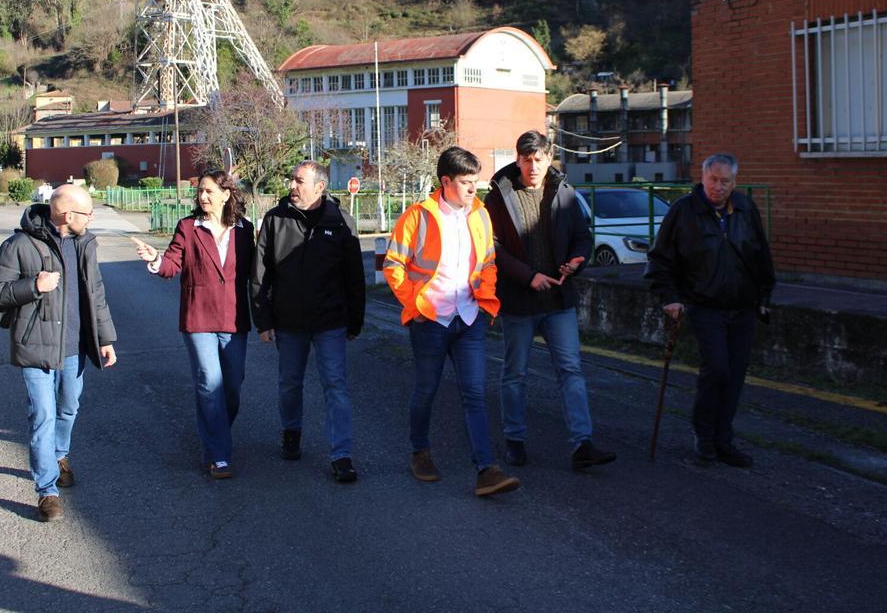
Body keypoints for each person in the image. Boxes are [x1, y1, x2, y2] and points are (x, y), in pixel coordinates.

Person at [383, 146, 520, 497]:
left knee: (474, 393)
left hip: (470, 318)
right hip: (430, 320)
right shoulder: (418, 216)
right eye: (466, 182)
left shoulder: (480, 214)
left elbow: (488, 262)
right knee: (426, 391)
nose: (474, 189)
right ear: (446, 182)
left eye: (476, 182)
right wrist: (416, 303)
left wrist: (485, 297)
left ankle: (486, 469)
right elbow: (393, 264)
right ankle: (420, 452)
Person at [0, 183, 117, 522]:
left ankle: (60, 455)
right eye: (88, 213)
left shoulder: (85, 243)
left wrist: (105, 337)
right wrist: (33, 286)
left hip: (75, 348)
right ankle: (47, 491)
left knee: (69, 408)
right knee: (42, 416)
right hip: (36, 348)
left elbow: (95, 292)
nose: (91, 218)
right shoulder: (18, 245)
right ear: (67, 215)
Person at [484, 131, 617, 472]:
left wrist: (577, 260)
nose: (533, 166)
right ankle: (514, 439)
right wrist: (528, 276)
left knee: (571, 370)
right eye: (526, 160)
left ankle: (582, 444)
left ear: (549, 159)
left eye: (539, 159)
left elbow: (583, 238)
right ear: (517, 160)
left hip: (559, 298)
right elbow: (492, 248)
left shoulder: (564, 192)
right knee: (515, 374)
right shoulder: (498, 197)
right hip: (518, 300)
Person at [645, 152, 775, 467]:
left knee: (734, 376)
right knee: (716, 368)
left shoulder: (745, 208)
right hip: (704, 306)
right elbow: (661, 259)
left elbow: (760, 255)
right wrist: (670, 297)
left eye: (725, 181)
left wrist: (764, 295)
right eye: (713, 180)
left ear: (734, 182)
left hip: (742, 307)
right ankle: (704, 436)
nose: (718, 187)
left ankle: (723, 439)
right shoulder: (683, 211)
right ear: (702, 177)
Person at [134, 169, 254, 479]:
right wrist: (156, 260)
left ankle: (217, 434)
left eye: (209, 191)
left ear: (226, 195)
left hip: (234, 318)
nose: (202, 196)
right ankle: (218, 454)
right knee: (208, 382)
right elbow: (173, 263)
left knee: (232, 388)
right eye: (200, 191)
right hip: (198, 318)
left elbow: (256, 273)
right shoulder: (188, 227)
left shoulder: (245, 229)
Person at [251, 161, 366, 483]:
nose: (292, 185)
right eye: (292, 179)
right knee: (290, 383)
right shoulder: (276, 219)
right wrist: (263, 319)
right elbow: (260, 274)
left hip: (331, 321)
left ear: (319, 187)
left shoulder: (342, 222)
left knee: (336, 386)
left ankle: (341, 455)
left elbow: (354, 278)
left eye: (299, 180)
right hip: (289, 321)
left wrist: (355, 322)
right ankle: (291, 432)